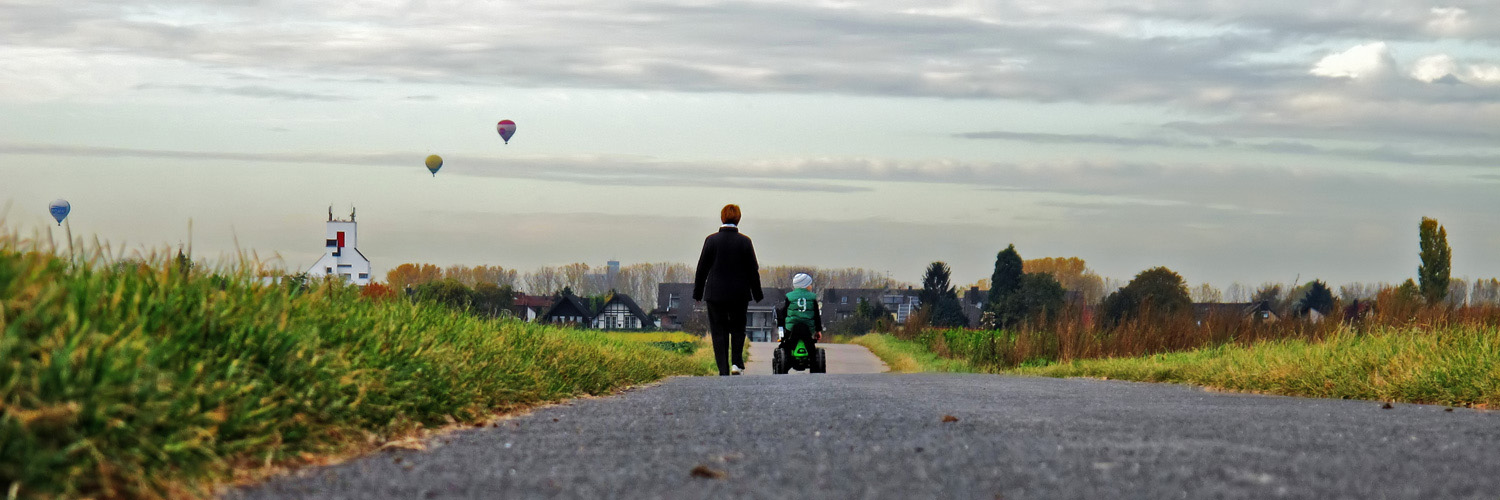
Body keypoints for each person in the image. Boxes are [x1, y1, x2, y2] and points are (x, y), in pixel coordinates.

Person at [693, 204, 764, 376]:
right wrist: (757, 294)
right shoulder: (745, 241)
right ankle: (736, 364)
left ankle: (723, 370)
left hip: (715, 294)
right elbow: (752, 269)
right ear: (738, 219)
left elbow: (702, 268)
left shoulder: (711, 240)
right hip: (739, 294)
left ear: (722, 218)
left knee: (719, 331)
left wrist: (698, 293)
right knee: (738, 328)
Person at [777, 272, 823, 358]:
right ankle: (813, 360)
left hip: (792, 327)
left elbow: (784, 313)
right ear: (806, 285)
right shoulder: (812, 297)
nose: (811, 286)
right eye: (810, 284)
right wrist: (818, 330)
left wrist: (781, 325)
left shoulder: (790, 296)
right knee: (811, 346)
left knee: (787, 343)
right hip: (808, 328)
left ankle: (787, 355)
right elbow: (816, 315)